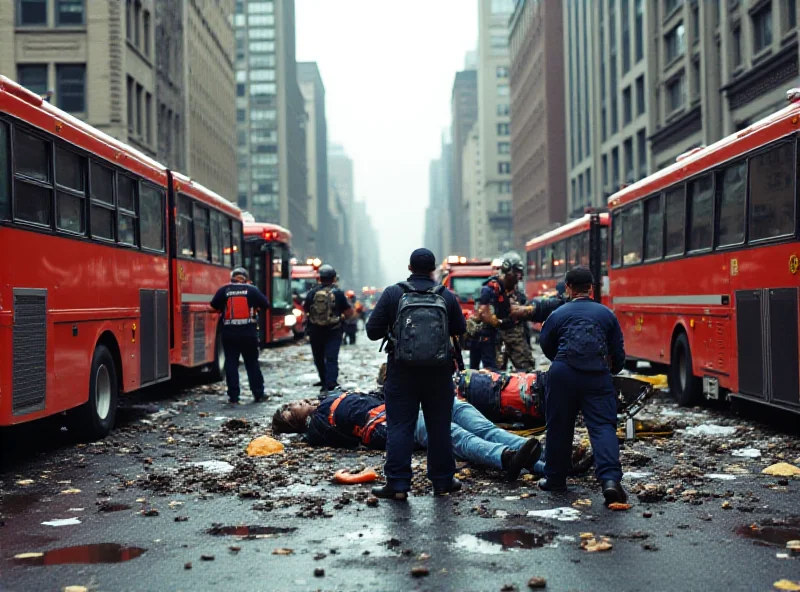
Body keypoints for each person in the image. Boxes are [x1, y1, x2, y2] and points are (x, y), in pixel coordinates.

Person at [366, 248, 467, 500]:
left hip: (402, 372)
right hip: (439, 373)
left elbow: (371, 331)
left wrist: (394, 331)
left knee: (400, 426)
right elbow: (460, 329)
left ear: (409, 268)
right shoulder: (446, 296)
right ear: (433, 269)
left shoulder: (393, 293)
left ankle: (398, 485)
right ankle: (443, 481)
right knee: (439, 427)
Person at [272, 392, 541, 481]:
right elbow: (316, 436)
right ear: (296, 421)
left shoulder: (326, 399)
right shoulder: (316, 427)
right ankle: (504, 459)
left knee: (484, 429)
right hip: (391, 424)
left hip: (410, 404)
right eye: (288, 410)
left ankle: (551, 463)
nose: (293, 403)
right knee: (453, 435)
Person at [538, 266, 627, 506]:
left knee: (559, 426)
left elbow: (545, 344)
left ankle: (555, 478)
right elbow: (618, 352)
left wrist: (562, 362)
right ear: (591, 288)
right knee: (602, 427)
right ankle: (610, 481)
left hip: (563, 373)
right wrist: (611, 370)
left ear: (568, 287)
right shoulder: (606, 314)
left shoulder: (558, 314)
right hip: (597, 375)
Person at [210, 267, 270, 404]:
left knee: (231, 363)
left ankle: (233, 396)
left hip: (229, 334)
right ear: (246, 278)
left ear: (231, 278)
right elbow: (266, 304)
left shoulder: (224, 290)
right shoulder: (252, 290)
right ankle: (258, 393)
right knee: (252, 364)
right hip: (248, 334)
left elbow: (213, 307)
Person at [477, 252, 535, 372]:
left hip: (516, 337)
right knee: (495, 376)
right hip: (496, 338)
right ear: (507, 271)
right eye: (516, 273)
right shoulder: (491, 290)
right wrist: (496, 321)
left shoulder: (519, 294)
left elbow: (525, 321)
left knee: (528, 372)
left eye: (520, 274)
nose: (518, 277)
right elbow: (482, 314)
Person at [304, 264, 352, 393]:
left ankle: (323, 380)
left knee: (318, 357)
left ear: (319, 278)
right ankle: (331, 383)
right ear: (334, 278)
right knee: (331, 357)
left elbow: (305, 309)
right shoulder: (338, 293)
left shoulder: (312, 292)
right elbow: (348, 312)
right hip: (334, 330)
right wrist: (342, 319)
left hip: (315, 330)